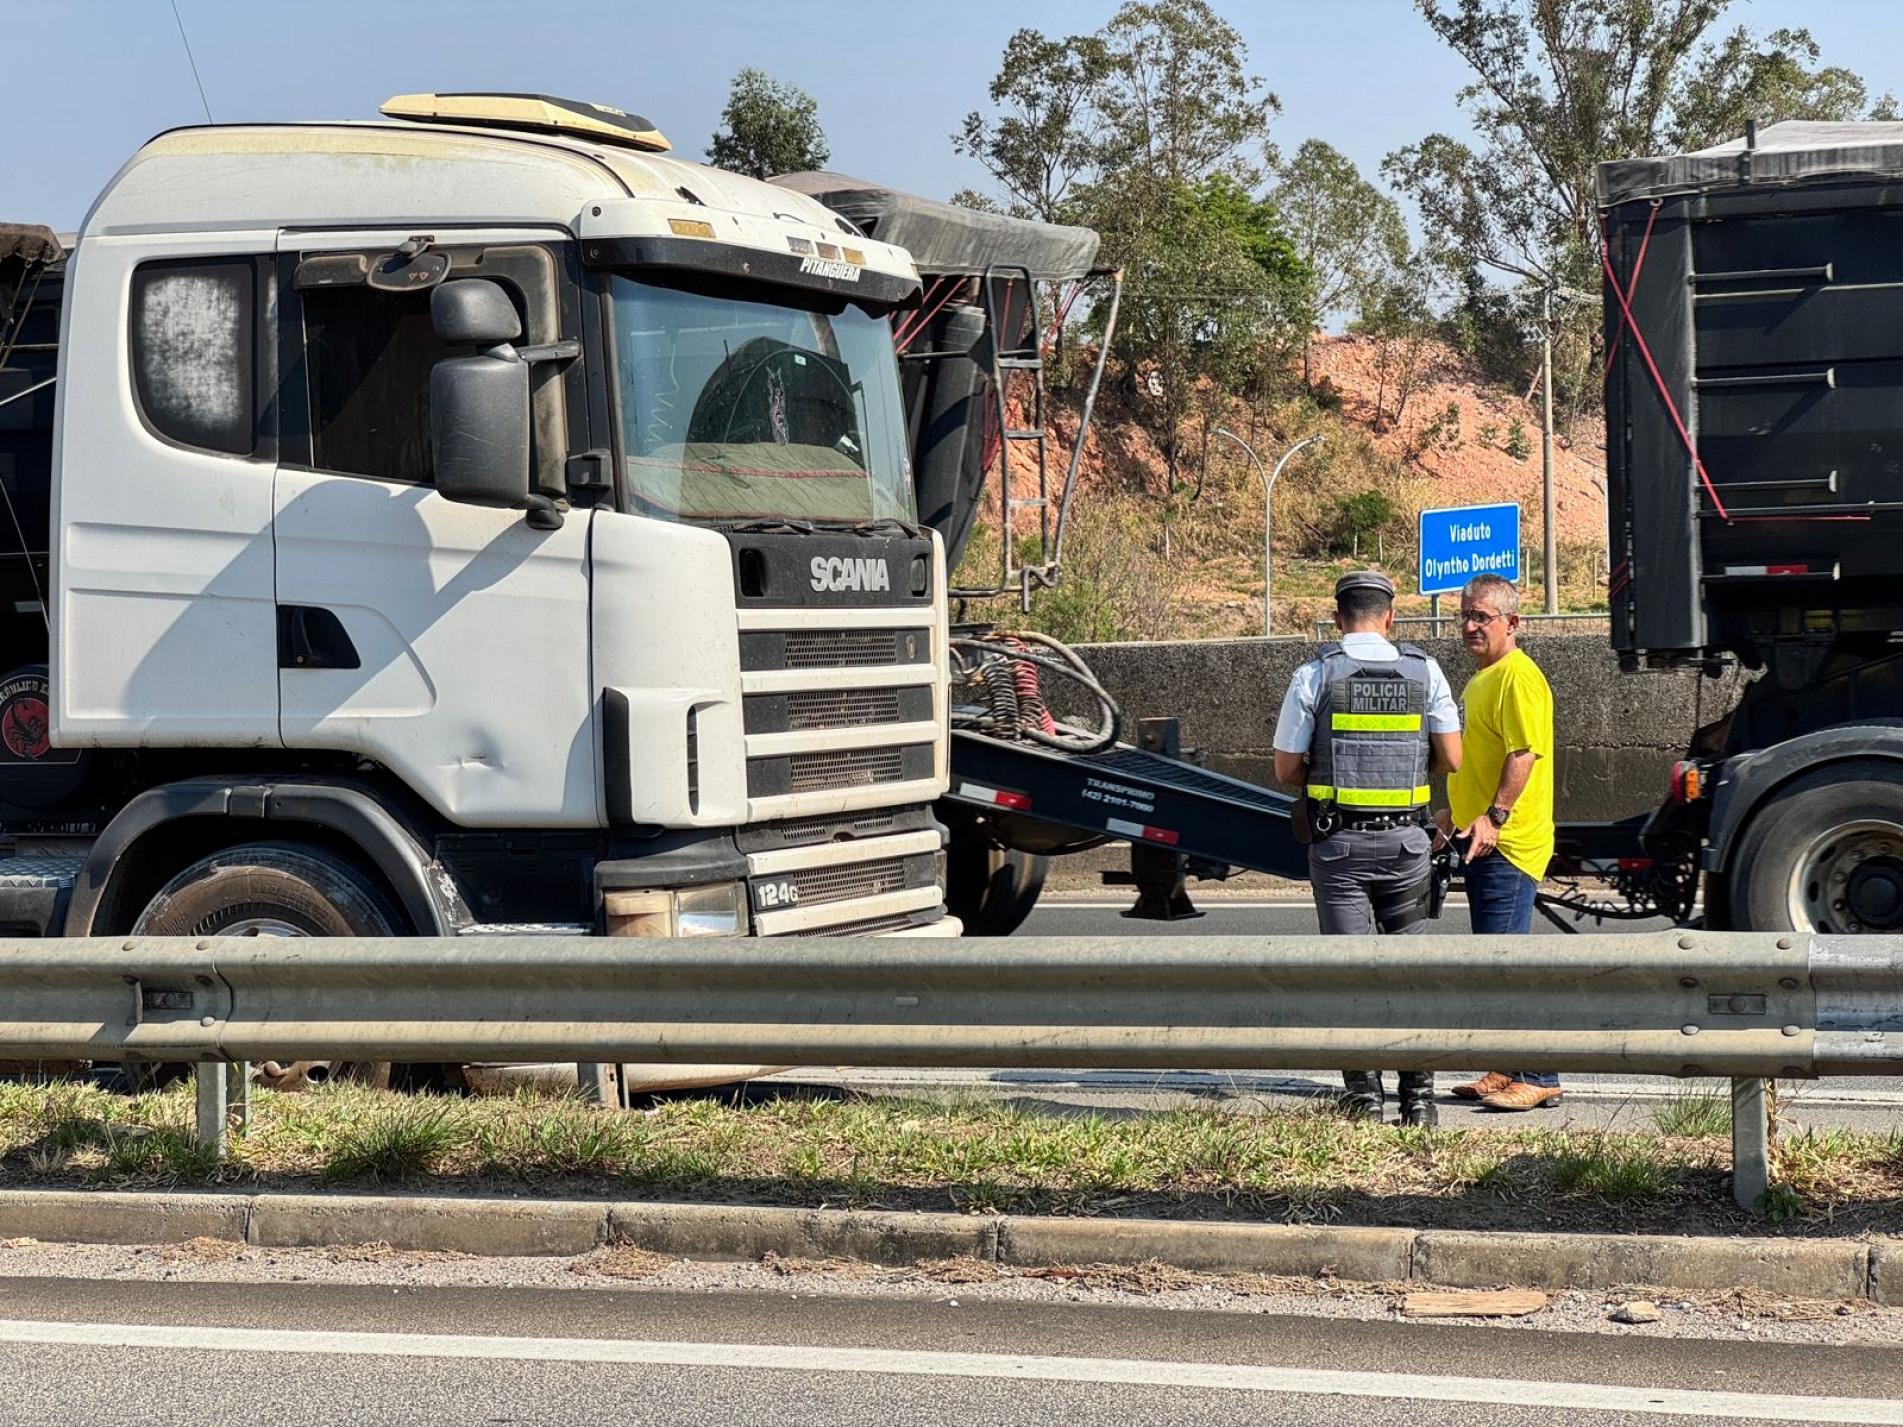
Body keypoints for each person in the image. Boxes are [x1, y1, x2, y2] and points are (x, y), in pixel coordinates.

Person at [1273, 571, 1462, 1125]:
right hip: (1407, 844)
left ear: (1337, 618)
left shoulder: (1314, 674)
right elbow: (1451, 756)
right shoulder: (1425, 670)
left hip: (1339, 850)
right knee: (1407, 971)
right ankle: (1420, 1100)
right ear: (1390, 618)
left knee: (1350, 973)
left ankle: (1363, 1097)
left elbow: (1286, 768)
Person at [1438, 572, 1561, 1111]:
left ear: (1513, 623)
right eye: (1465, 615)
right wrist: (1451, 813)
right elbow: (1479, 759)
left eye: (1481, 617)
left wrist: (1494, 817)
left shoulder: (1518, 677)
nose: (1469, 625)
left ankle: (1540, 1074)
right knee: (1492, 961)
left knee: (1510, 962)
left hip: (1507, 844)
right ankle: (1507, 1064)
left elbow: (1523, 755)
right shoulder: (1480, 680)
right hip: (1478, 838)